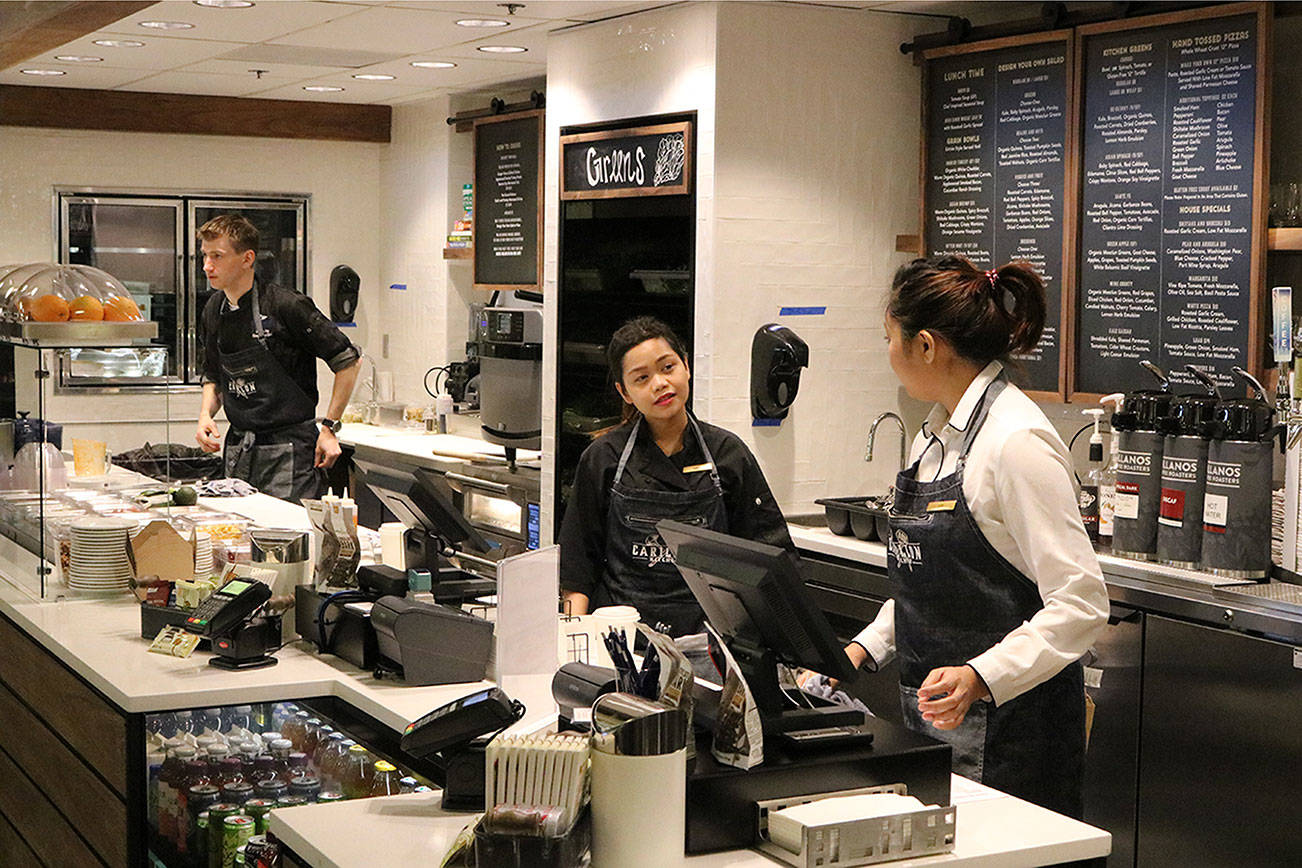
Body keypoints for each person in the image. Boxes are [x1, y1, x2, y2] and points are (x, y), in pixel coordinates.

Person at [845, 255, 1108, 818]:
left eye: (889, 338)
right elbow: (932, 582)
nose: (887, 354)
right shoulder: (935, 435)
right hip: (935, 719)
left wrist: (982, 676)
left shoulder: (1015, 443)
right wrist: (865, 648)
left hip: (1013, 738)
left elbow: (1082, 603)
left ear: (926, 346)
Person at [559, 316, 793, 638]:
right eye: (641, 378)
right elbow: (576, 572)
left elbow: (772, 563)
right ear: (624, 392)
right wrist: (574, 644)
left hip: (707, 641)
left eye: (667, 367)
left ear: (686, 366)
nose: (659, 384)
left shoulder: (727, 454)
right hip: (619, 640)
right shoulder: (603, 458)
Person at [194, 215, 361, 503]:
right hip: (238, 450)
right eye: (205, 256)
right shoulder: (214, 309)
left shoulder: (287, 305)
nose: (207, 266)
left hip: (289, 452)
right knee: (240, 534)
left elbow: (347, 362)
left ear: (247, 259)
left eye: (217, 256)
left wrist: (329, 428)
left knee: (286, 536)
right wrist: (205, 415)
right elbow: (214, 375)